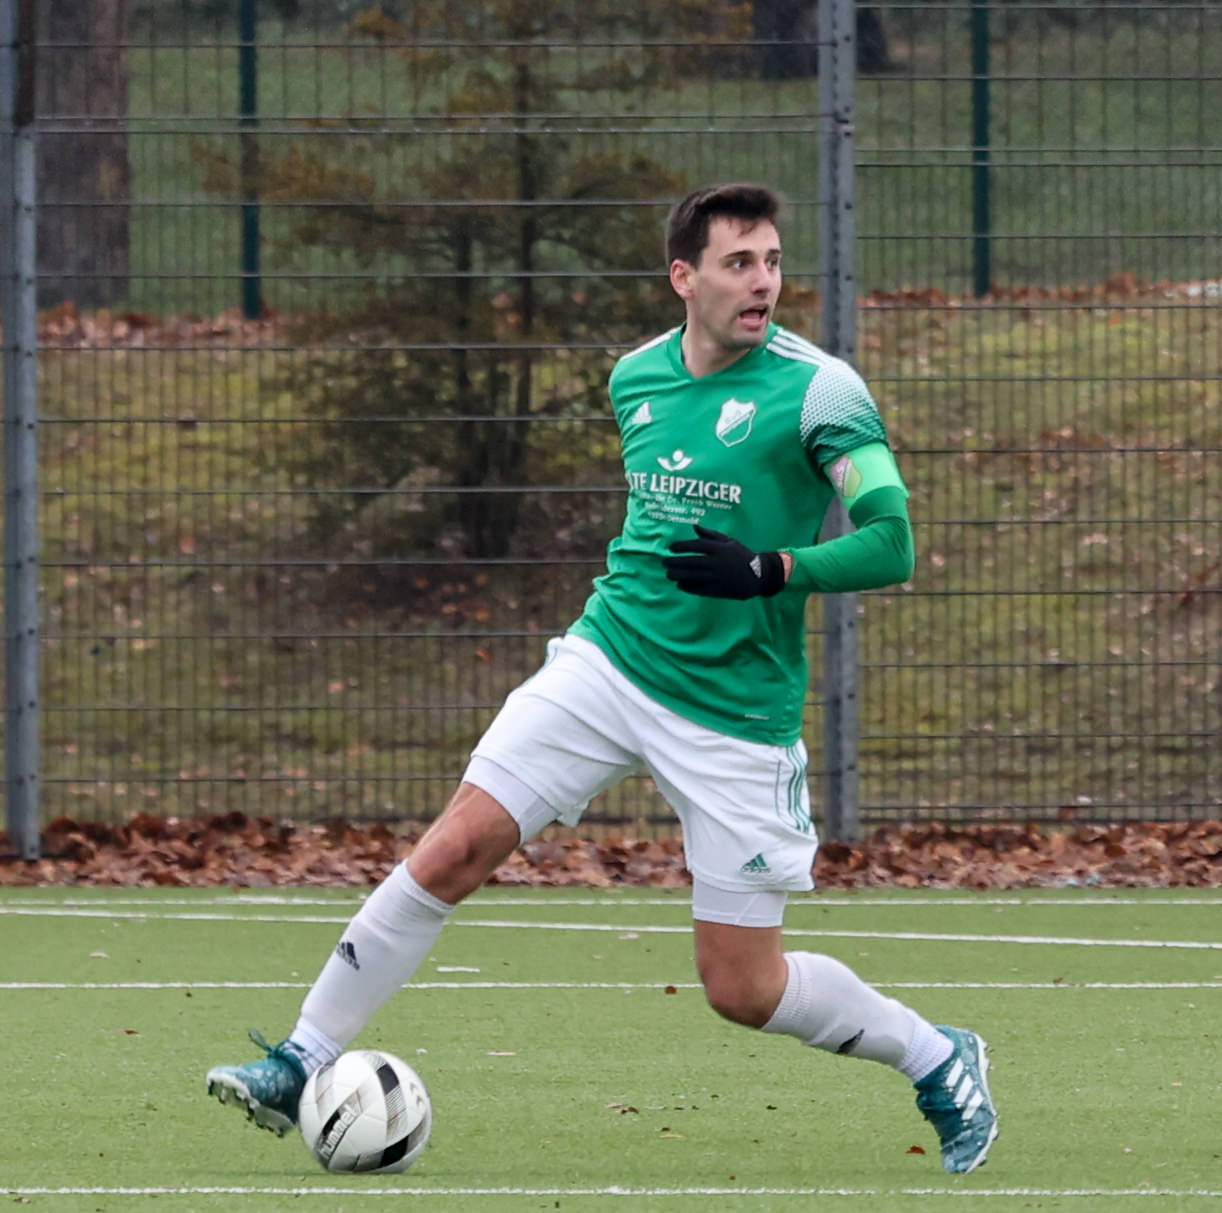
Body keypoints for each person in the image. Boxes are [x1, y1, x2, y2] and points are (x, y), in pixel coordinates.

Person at [205, 183, 1000, 1174]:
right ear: (684, 277)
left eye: (772, 261)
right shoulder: (635, 379)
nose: (763, 282)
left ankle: (936, 1055)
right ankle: (299, 1059)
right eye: (739, 263)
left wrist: (770, 568)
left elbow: (892, 542)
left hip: (734, 713)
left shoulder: (821, 392)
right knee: (454, 846)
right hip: (608, 661)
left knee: (741, 987)